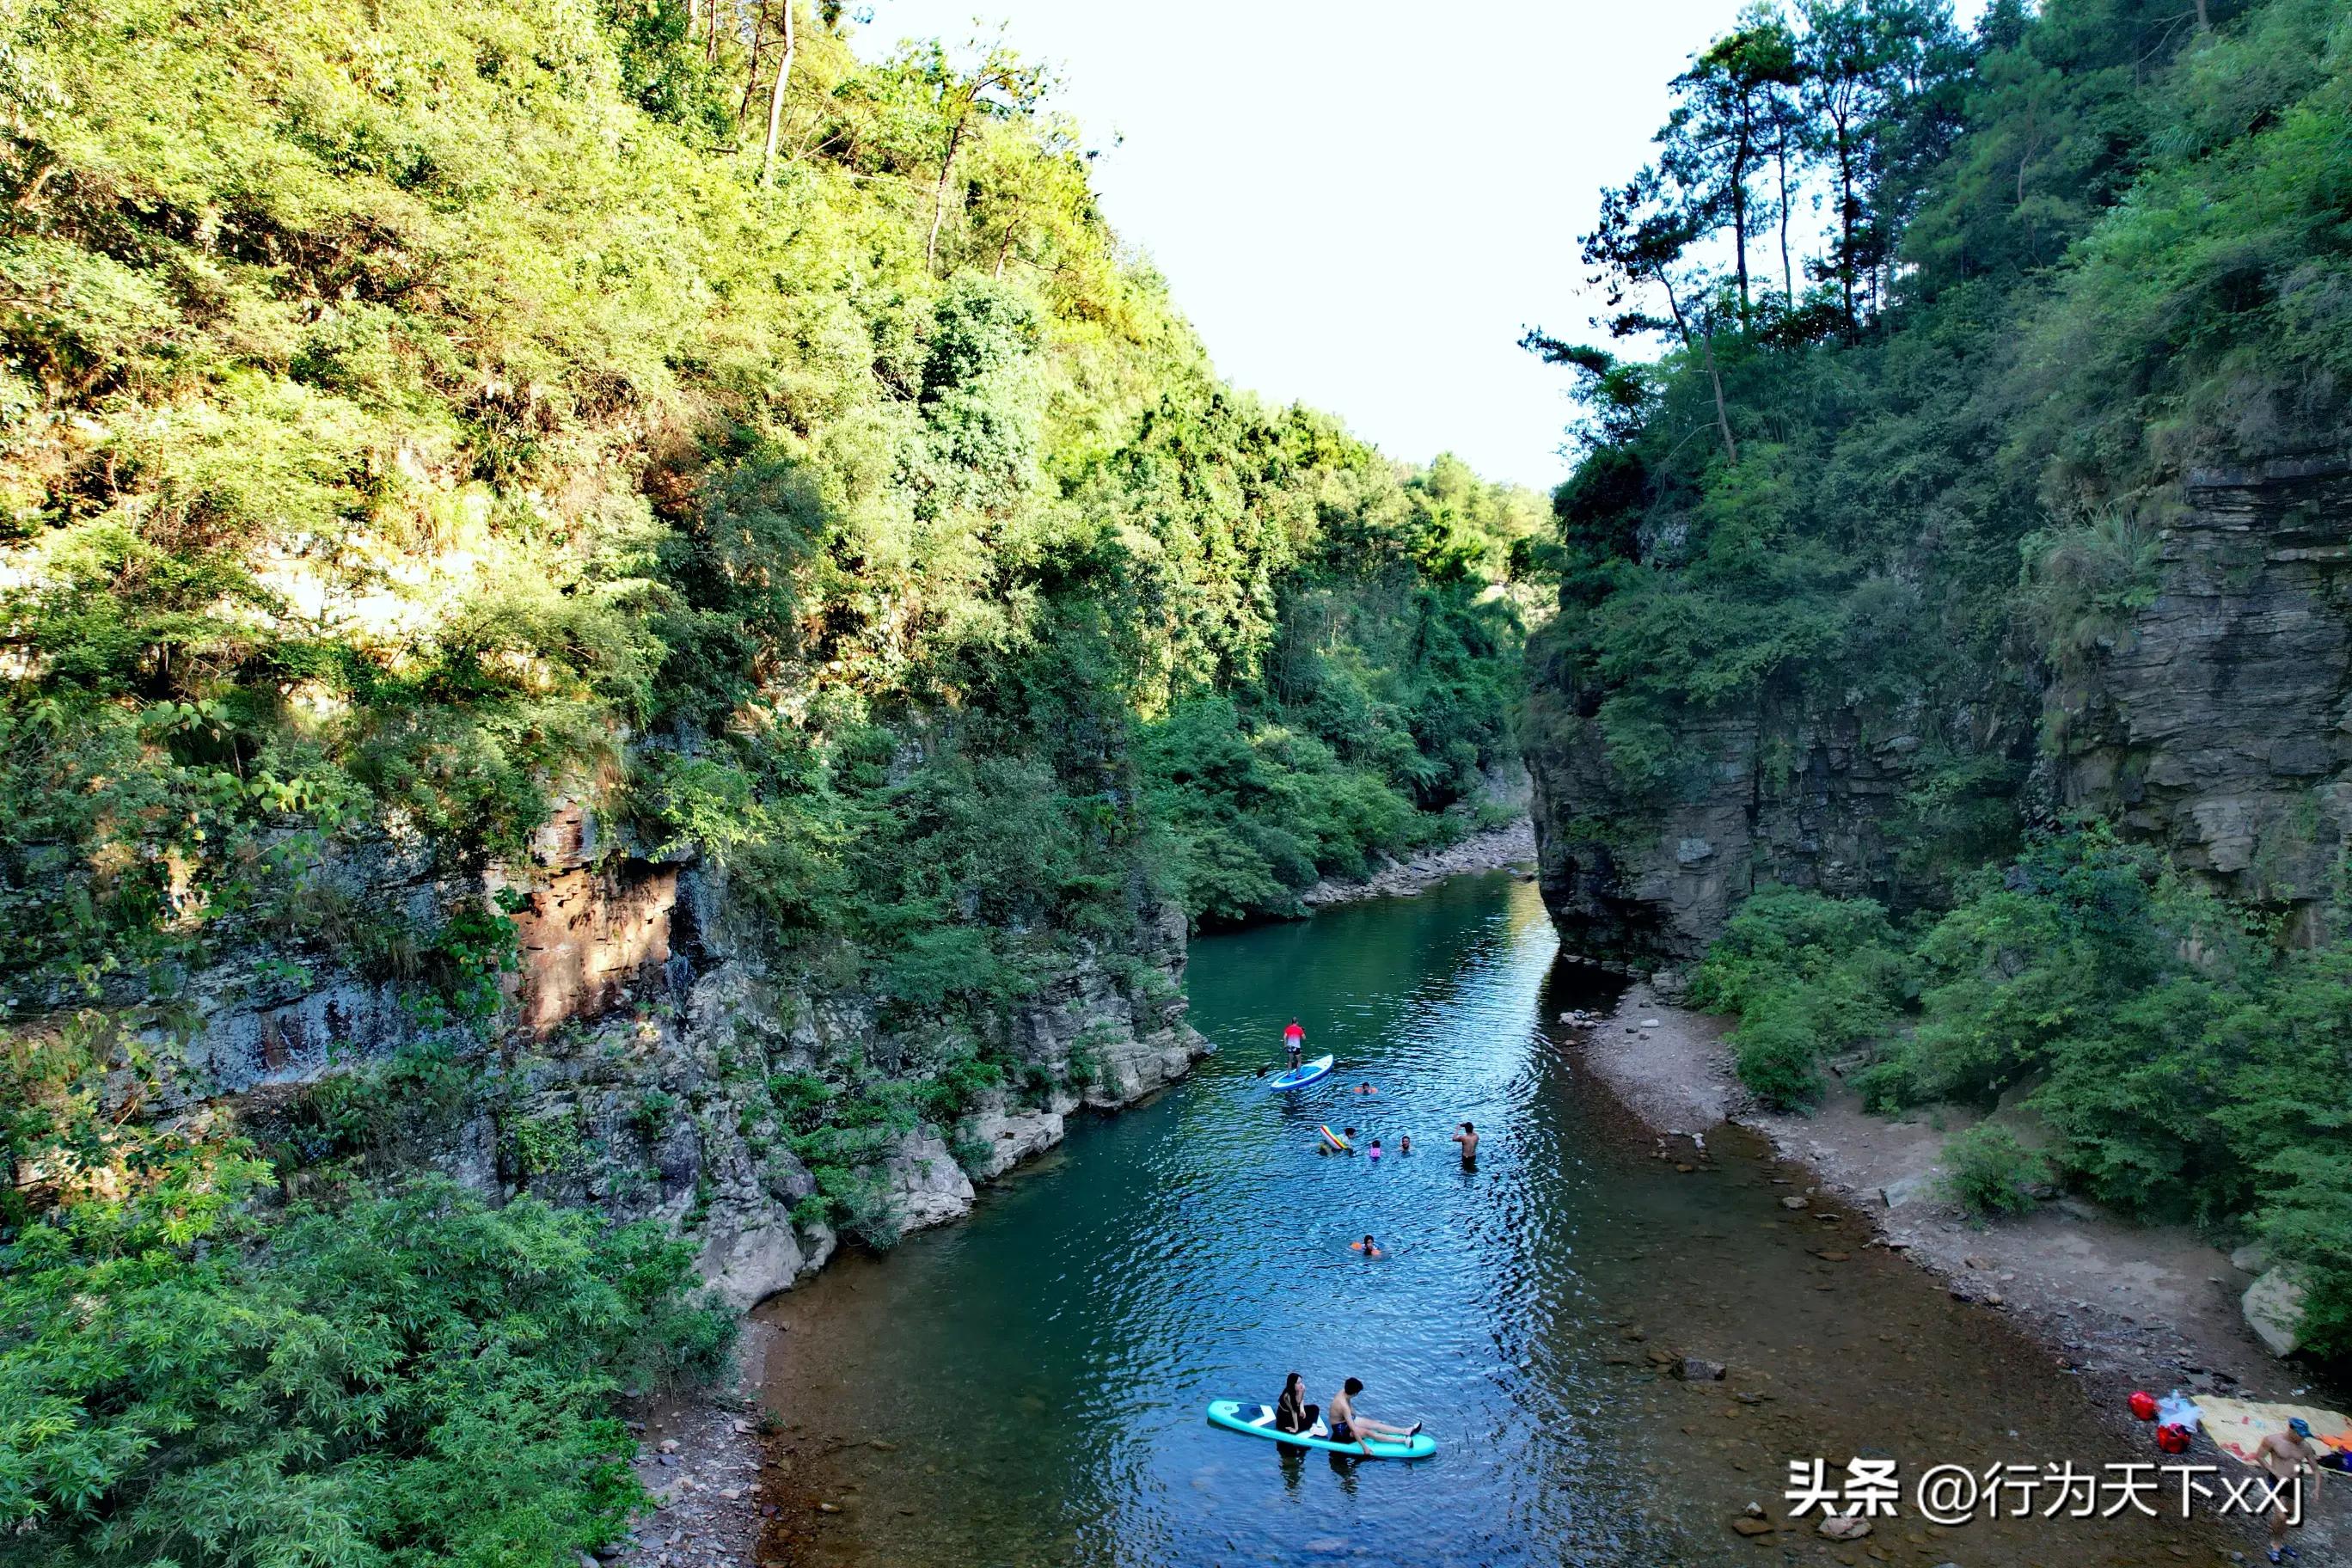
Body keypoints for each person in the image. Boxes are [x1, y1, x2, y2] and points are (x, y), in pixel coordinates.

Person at [2258, 1417, 2322, 1562]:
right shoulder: (2272, 1440)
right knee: (2281, 1516)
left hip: (2295, 1483)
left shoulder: (2305, 1447)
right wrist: (2276, 1473)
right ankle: (2274, 1545)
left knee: (2289, 1518)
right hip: (2277, 1481)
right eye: (2300, 1434)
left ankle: (2280, 1543)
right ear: (2291, 1430)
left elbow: (2316, 1469)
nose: (2302, 1438)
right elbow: (2260, 1457)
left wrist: (2317, 1489)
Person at [1327, 1376, 1419, 1455]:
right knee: (1369, 1433)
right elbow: (1354, 1430)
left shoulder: (1344, 1391)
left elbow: (1348, 1402)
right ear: (1355, 1393)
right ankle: (1403, 1441)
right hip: (1340, 1429)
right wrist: (1365, 1448)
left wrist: (1354, 1415)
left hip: (1345, 1419)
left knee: (1374, 1424)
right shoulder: (1344, 1407)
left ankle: (1405, 1431)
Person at [1273, 1371, 1318, 1436]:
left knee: (1315, 1408)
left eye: (1301, 1382)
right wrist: (1296, 1428)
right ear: (1293, 1384)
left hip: (1296, 1410)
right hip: (1285, 1416)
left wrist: (1302, 1410)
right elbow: (1293, 1412)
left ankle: (1314, 1426)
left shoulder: (1302, 1388)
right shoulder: (1287, 1396)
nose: (1301, 1384)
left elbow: (1302, 1399)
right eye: (1298, 1383)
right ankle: (1302, 1427)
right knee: (1305, 1423)